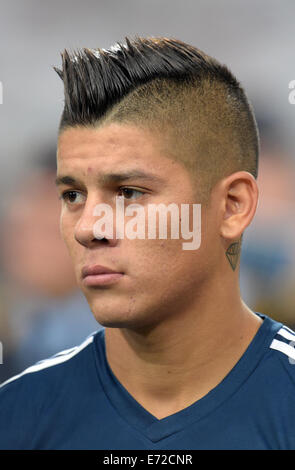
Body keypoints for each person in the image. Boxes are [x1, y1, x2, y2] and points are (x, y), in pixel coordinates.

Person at [0, 36, 294, 450]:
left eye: (130, 193)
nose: (88, 229)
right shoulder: (16, 415)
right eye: (73, 196)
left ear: (232, 206)